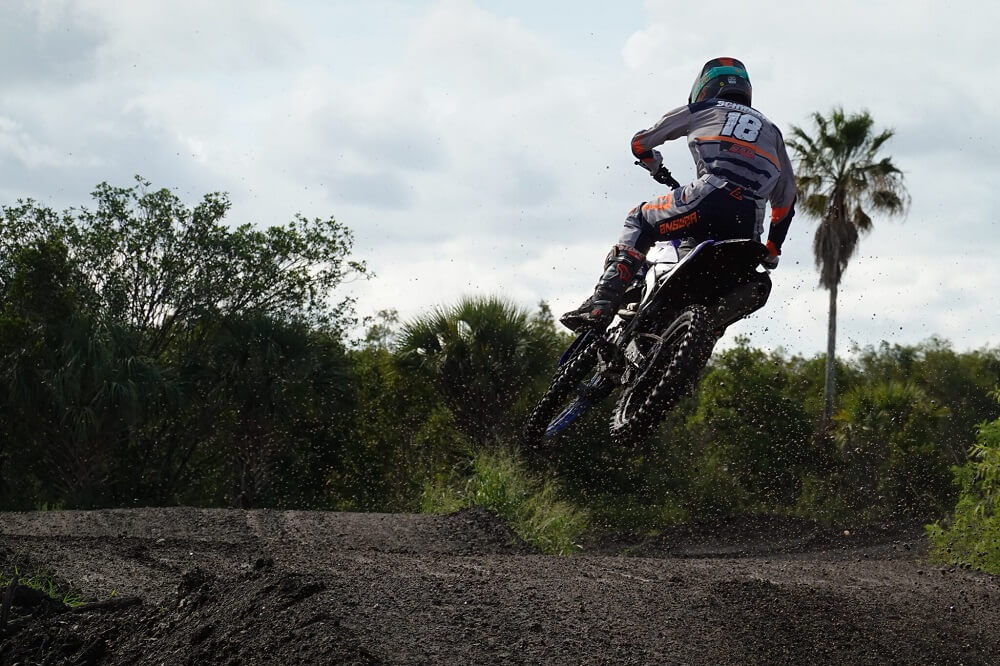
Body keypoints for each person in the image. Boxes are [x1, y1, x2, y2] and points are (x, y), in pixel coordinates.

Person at [560, 57, 797, 332]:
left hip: (708, 196)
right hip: (749, 221)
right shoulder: (772, 131)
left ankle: (601, 304)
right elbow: (786, 199)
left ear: (704, 87)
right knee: (715, 294)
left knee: (638, 218)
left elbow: (641, 142)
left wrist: (653, 164)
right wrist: (772, 248)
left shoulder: (703, 108)